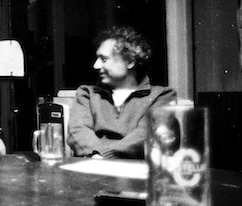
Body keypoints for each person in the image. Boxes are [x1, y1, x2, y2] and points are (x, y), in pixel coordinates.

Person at [67, 26, 177, 159]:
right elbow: (78, 130)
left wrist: (104, 156)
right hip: (91, 163)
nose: (96, 66)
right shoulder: (87, 94)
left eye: (104, 59)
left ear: (129, 61)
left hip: (135, 168)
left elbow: (146, 134)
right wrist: (96, 155)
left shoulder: (162, 96)